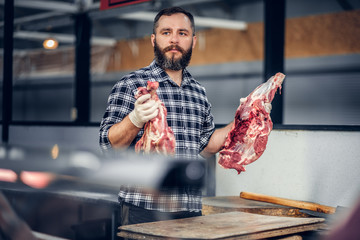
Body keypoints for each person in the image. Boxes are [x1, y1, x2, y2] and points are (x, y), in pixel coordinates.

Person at [99, 6, 233, 225]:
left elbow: (205, 147)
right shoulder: (131, 84)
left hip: (189, 210)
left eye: (182, 33)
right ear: (154, 40)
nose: (174, 40)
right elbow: (107, 144)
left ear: (193, 40)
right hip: (143, 209)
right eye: (166, 32)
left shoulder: (198, 91)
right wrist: (135, 119)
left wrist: (243, 118)